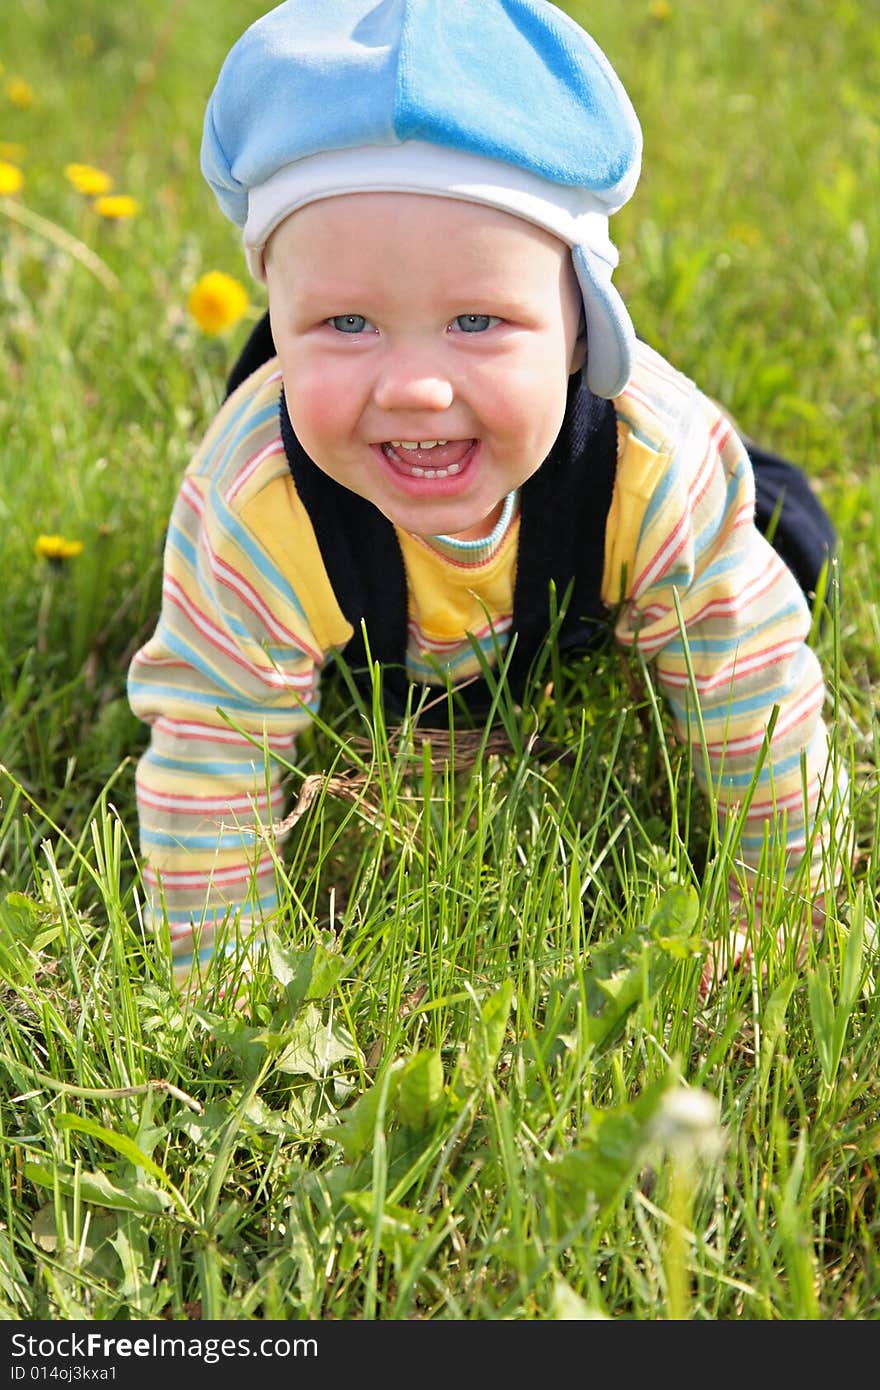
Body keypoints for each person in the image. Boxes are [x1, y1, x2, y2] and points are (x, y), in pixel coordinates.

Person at [128, 0, 845, 988]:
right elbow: (211, 742)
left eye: (476, 318)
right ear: (276, 319)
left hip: (597, 562)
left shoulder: (651, 474)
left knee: (782, 557)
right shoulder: (258, 506)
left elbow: (751, 695)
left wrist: (782, 918)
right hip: (374, 618)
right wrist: (227, 988)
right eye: (344, 322)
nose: (414, 385)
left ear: (582, 329)